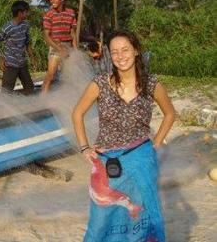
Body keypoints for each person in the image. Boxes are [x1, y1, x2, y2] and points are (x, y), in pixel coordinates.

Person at [72, 30, 175, 242]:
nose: (120, 56)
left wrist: (154, 145)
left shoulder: (151, 84)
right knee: (99, 222)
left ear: (136, 51)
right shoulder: (100, 83)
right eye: (115, 52)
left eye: (125, 50)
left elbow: (170, 114)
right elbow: (77, 114)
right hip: (107, 164)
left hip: (141, 161)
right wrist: (84, 147)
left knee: (141, 216)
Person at [0, 0, 34, 95]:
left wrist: (32, 57)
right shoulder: (8, 27)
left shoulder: (25, 25)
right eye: (26, 11)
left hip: (22, 64)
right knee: (6, 93)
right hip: (10, 65)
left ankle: (21, 105)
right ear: (20, 13)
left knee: (30, 89)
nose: (28, 13)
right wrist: (0, 58)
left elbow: (27, 42)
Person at [41, 0, 77, 94]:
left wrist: (75, 50)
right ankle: (43, 102)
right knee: (50, 76)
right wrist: (59, 49)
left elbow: (73, 34)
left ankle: (67, 100)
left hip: (68, 46)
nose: (52, 1)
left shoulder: (71, 13)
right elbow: (47, 37)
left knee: (69, 76)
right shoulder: (49, 15)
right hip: (55, 45)